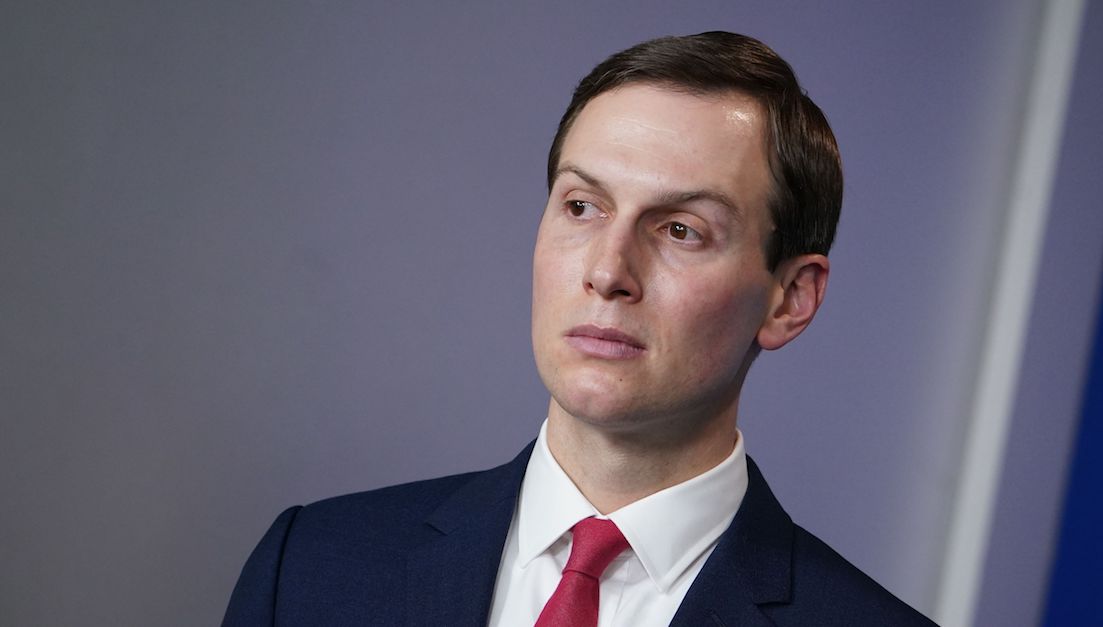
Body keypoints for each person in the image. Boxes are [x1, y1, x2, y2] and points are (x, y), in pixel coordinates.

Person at [222, 31, 937, 626]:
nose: (607, 269)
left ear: (790, 299)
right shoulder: (310, 567)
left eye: (681, 229)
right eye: (582, 207)